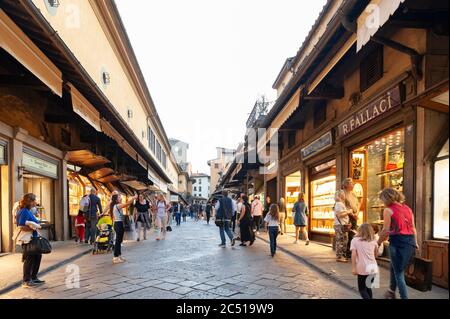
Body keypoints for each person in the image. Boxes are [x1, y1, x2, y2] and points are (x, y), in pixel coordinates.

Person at [377, 188, 418, 300]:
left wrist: (378, 242)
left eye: (382, 199)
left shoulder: (388, 210)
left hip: (397, 242)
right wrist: (416, 242)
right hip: (410, 242)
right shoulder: (408, 209)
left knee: (399, 273)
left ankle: (404, 297)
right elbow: (413, 228)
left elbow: (385, 230)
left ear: (386, 198)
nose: (382, 202)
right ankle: (391, 291)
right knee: (394, 266)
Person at [14, 193, 46, 288]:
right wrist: (33, 228)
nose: (36, 202)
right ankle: (26, 280)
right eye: (34, 200)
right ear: (29, 201)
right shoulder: (23, 211)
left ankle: (34, 277)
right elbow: (21, 226)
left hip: (33, 238)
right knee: (29, 259)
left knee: (37, 257)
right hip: (28, 239)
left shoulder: (28, 211)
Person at [351, 223, 379, 299]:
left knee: (362, 289)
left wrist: (353, 268)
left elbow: (353, 254)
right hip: (373, 267)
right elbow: (376, 254)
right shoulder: (373, 241)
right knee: (368, 287)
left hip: (362, 267)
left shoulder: (355, 240)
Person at [111, 193, 137, 264]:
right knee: (117, 241)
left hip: (119, 224)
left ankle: (119, 256)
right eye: (119, 197)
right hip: (118, 224)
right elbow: (127, 204)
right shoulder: (117, 205)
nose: (121, 198)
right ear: (116, 199)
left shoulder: (116, 205)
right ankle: (115, 257)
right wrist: (134, 198)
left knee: (119, 241)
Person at [342, 178, 360, 258]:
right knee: (346, 234)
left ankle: (352, 250)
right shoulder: (343, 193)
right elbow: (343, 206)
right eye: (351, 183)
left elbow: (357, 204)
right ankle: (346, 252)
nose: (353, 184)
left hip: (354, 216)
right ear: (346, 185)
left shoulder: (353, 193)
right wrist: (352, 214)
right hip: (347, 216)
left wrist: (357, 213)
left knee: (353, 233)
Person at [334, 190, 352, 263]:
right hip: (340, 225)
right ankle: (339, 257)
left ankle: (341, 256)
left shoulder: (340, 203)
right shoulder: (339, 204)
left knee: (343, 240)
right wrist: (348, 211)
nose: (344, 195)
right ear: (340, 195)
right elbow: (339, 215)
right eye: (343, 194)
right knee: (341, 241)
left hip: (342, 225)